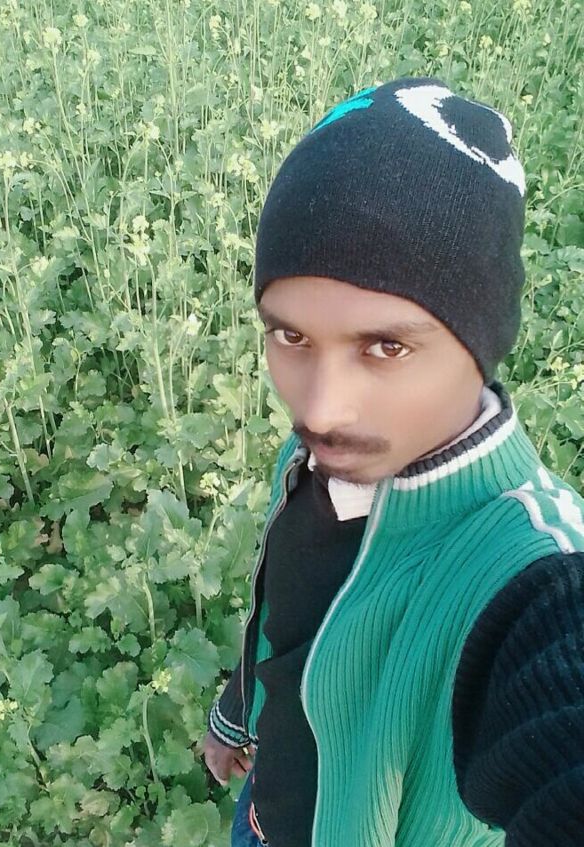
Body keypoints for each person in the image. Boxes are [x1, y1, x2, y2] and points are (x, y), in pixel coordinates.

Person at [201, 76, 584, 847]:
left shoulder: (534, 569)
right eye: (291, 336)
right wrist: (236, 714)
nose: (321, 409)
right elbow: (286, 614)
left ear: (479, 342)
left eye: (385, 345)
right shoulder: (312, 462)